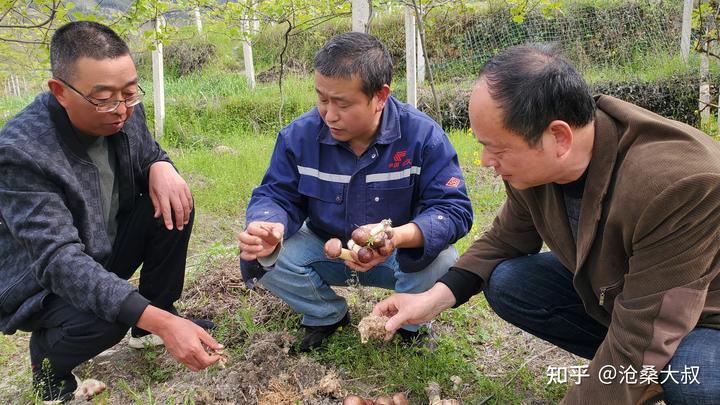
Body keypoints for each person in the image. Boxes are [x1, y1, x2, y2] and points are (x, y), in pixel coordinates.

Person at [374, 43, 720, 404]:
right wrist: (430, 300)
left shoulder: (679, 184)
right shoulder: (540, 162)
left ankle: (641, 377)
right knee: (508, 281)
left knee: (694, 377)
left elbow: (645, 333)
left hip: (704, 317)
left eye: (497, 148)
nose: (485, 161)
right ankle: (627, 377)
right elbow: (505, 240)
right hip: (628, 296)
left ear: (559, 137)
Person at [0, 21, 222, 402]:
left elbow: (147, 151)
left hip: (103, 246)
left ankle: (149, 326)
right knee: (109, 318)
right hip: (44, 280)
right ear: (60, 92)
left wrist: (161, 166)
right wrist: (164, 322)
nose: (121, 109)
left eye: (130, 93)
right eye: (103, 98)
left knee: (174, 201)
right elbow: (59, 261)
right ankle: (48, 362)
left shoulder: (125, 111)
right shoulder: (22, 152)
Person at [237, 32, 473, 352]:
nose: (329, 114)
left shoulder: (422, 136)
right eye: (322, 99)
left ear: (380, 97)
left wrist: (396, 238)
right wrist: (270, 224)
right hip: (326, 248)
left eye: (342, 103)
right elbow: (276, 194)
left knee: (443, 258)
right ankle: (326, 315)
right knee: (262, 256)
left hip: (398, 257)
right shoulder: (299, 137)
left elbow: (453, 209)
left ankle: (411, 325)